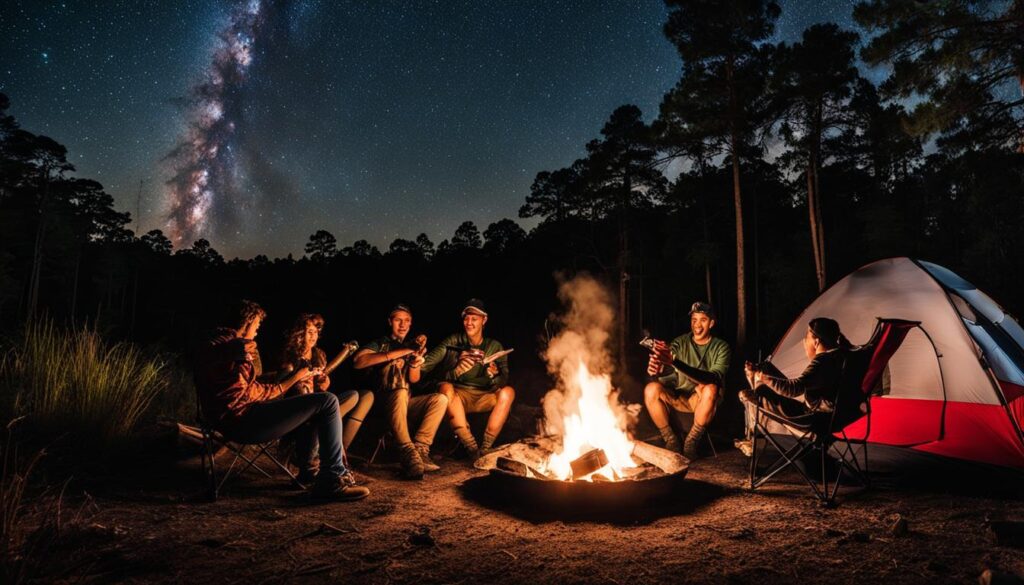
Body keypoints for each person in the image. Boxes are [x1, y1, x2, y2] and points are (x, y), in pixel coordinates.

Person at [194, 300, 369, 501]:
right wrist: (293, 379)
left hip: (223, 419)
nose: (258, 331)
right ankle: (331, 479)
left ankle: (324, 468)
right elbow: (248, 392)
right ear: (249, 321)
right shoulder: (237, 347)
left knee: (333, 400)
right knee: (328, 402)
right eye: (257, 325)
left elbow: (241, 386)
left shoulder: (210, 343)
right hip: (244, 421)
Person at [353, 304, 448, 480]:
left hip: (404, 401)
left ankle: (420, 449)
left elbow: (414, 379)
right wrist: (402, 351)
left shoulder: (411, 345)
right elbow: (358, 361)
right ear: (390, 322)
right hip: (381, 401)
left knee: (440, 399)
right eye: (398, 320)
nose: (403, 325)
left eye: (407, 321)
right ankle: (407, 450)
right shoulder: (381, 343)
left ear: (411, 324)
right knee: (400, 392)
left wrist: (414, 363)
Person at [280, 313, 374, 481]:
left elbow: (321, 387)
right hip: (299, 412)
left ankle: (329, 458)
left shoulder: (319, 354)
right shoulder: (290, 356)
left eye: (316, 331)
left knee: (352, 396)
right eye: (309, 331)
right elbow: (282, 388)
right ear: (299, 333)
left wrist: (324, 383)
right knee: (320, 414)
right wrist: (298, 378)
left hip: (319, 406)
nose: (313, 336)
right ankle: (313, 465)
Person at [421, 298, 514, 458]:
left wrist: (494, 375)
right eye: (466, 318)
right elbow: (426, 370)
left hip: (485, 396)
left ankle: (485, 447)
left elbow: (503, 380)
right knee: (446, 388)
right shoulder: (453, 341)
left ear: (484, 320)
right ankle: (471, 446)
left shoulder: (494, 346)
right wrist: (456, 370)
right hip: (459, 397)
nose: (469, 322)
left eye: (474, 319)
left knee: (508, 392)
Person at [643, 302, 731, 459]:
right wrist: (656, 370)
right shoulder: (680, 342)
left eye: (703, 320)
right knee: (651, 388)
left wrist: (674, 362)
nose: (697, 324)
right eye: (694, 319)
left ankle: (691, 442)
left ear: (711, 323)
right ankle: (671, 440)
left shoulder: (721, 347)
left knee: (710, 388)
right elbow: (669, 371)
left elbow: (713, 378)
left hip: (701, 401)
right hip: (680, 397)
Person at [741, 317, 852, 427]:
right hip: (842, 416)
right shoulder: (845, 354)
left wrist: (763, 378)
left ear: (816, 342)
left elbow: (794, 389)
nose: (804, 341)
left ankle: (754, 381)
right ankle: (757, 374)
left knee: (753, 392)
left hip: (814, 418)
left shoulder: (823, 361)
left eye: (806, 337)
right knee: (766, 368)